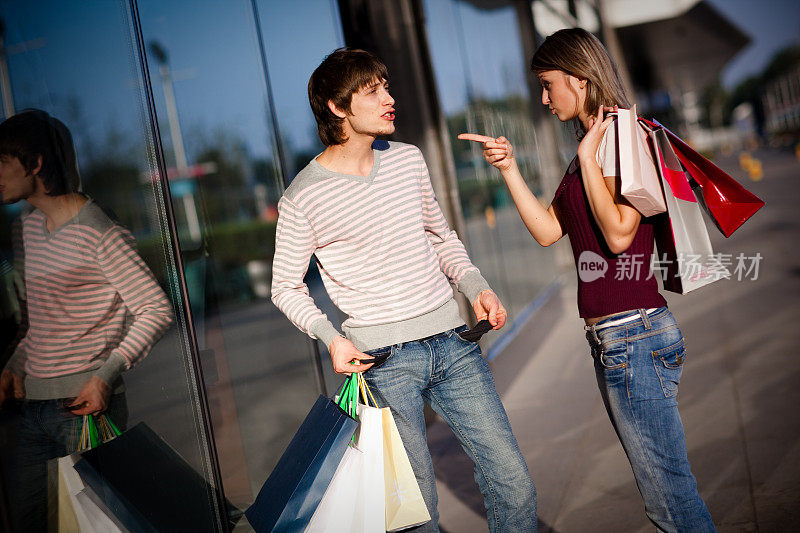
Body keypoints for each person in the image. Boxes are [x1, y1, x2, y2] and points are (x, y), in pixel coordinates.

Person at [270, 48, 537, 532]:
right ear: (337, 107)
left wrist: (475, 286)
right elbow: (285, 286)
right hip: (383, 364)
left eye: (387, 87)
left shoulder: (408, 160)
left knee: (515, 485)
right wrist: (332, 338)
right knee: (415, 516)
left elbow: (439, 236)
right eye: (373, 92)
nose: (389, 99)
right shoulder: (302, 196)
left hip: (454, 343)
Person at [460, 28, 716, 533]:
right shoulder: (592, 146)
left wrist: (587, 161)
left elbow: (620, 234)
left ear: (578, 80)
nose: (543, 98)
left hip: (635, 334)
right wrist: (511, 169)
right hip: (616, 339)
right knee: (664, 493)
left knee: (669, 498)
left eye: (547, 83)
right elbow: (548, 230)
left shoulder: (625, 138)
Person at [0, 109, 174, 532]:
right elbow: (43, 322)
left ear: (36, 164)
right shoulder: (28, 229)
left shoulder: (98, 230)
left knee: (110, 522)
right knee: (32, 522)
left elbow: (156, 309)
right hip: (34, 409)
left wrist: (105, 377)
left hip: (84, 408)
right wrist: (15, 367)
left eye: (3, 163)